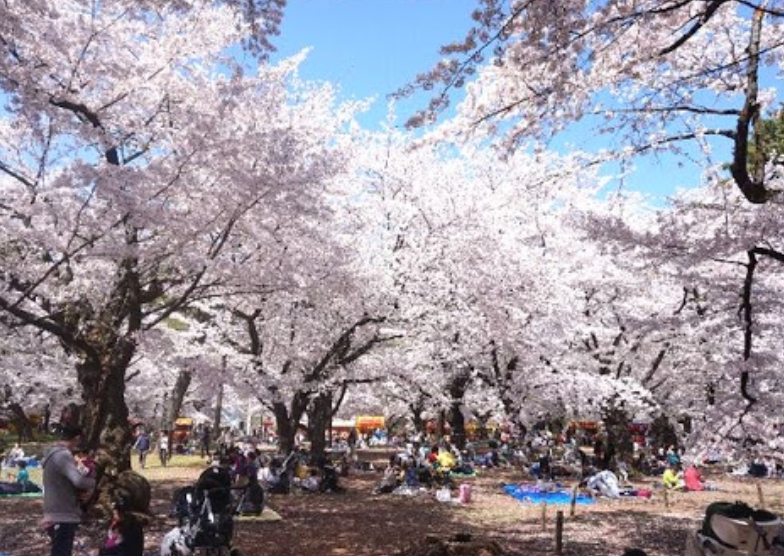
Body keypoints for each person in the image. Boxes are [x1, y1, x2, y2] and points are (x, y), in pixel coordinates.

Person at [41, 424, 96, 556]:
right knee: (62, 551)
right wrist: (94, 482)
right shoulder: (62, 456)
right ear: (76, 438)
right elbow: (79, 481)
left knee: (59, 550)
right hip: (63, 513)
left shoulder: (52, 454)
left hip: (54, 511)